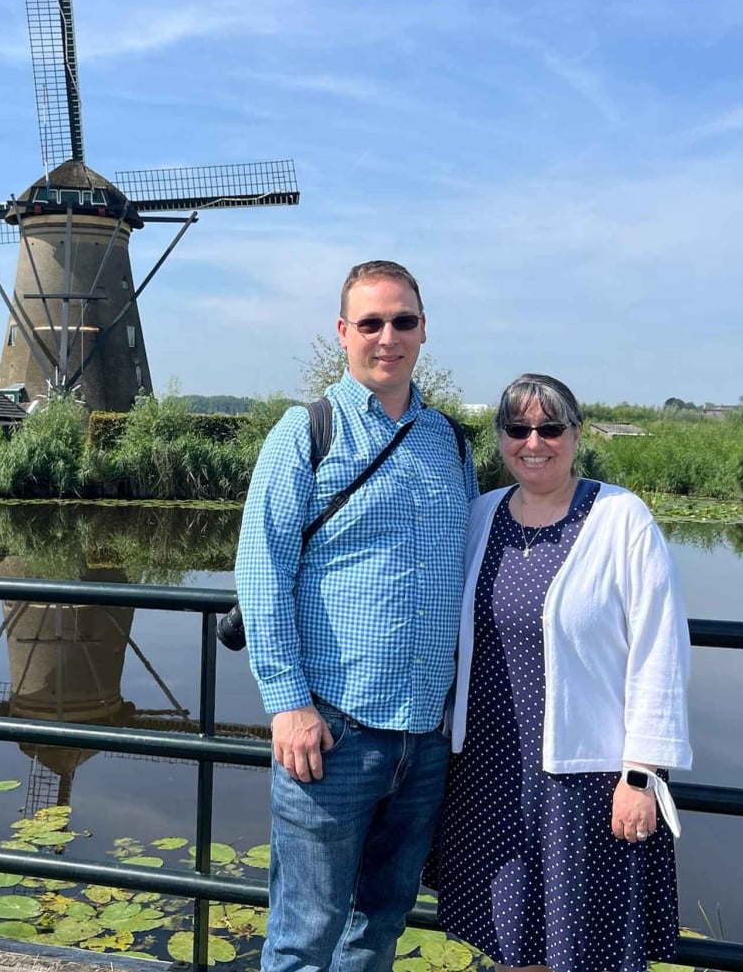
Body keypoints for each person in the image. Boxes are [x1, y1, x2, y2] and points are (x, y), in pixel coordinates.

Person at [234, 260, 479, 972]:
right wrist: (287, 704)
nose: (387, 336)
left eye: (402, 320)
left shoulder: (450, 444)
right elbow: (262, 572)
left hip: (424, 740)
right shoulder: (305, 433)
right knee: (305, 935)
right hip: (333, 731)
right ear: (342, 333)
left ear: (423, 329)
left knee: (380, 927)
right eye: (370, 322)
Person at [430, 373, 693, 972]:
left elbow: (661, 647)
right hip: (488, 770)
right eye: (518, 428)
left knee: (578, 948)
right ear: (499, 439)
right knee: (510, 943)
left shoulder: (621, 518)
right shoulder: (481, 515)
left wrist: (643, 775)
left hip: (584, 778)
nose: (534, 441)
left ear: (576, 434)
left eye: (550, 428)